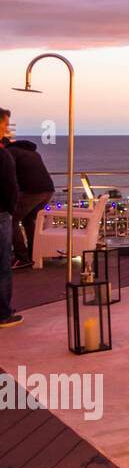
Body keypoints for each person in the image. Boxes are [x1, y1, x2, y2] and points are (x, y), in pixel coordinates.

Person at [0, 109, 54, 269]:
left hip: (33, 192)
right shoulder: (29, 152)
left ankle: (21, 257)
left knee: (12, 219)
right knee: (29, 219)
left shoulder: (9, 153)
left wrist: (10, 205)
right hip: (48, 190)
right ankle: (33, 254)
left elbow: (9, 179)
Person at [0, 139, 20, 327]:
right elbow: (10, 186)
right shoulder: (4, 156)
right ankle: (3, 313)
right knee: (3, 263)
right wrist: (11, 209)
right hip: (1, 212)